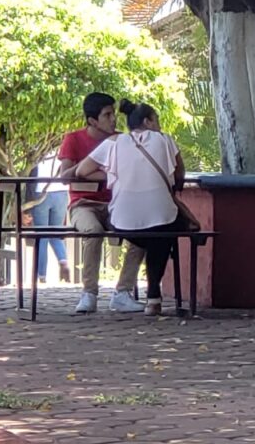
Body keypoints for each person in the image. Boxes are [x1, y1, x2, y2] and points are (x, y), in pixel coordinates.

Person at [77, 100, 186, 316]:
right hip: (162, 221)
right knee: (164, 229)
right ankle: (153, 296)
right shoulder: (165, 140)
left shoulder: (114, 142)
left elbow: (82, 171)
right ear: (148, 121)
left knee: (153, 231)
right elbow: (179, 172)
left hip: (122, 222)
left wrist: (115, 174)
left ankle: (147, 297)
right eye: (157, 120)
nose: (159, 125)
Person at [58, 92, 146, 314]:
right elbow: (64, 177)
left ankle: (123, 292)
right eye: (107, 115)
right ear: (92, 121)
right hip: (82, 205)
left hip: (116, 204)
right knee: (93, 231)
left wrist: (95, 171)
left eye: (113, 113)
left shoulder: (121, 139)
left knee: (141, 232)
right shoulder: (73, 139)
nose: (113, 119)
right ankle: (89, 293)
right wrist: (90, 166)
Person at [25, 154, 69, 283]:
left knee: (42, 236)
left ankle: (42, 276)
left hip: (41, 192)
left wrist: (27, 205)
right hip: (61, 191)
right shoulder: (60, 148)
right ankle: (63, 261)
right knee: (56, 233)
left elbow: (31, 175)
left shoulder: (38, 149)